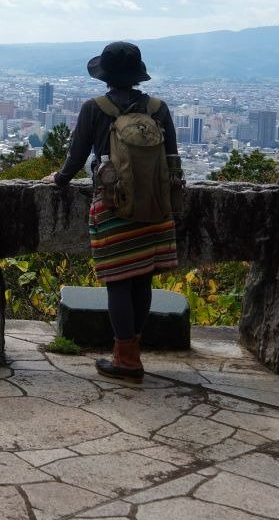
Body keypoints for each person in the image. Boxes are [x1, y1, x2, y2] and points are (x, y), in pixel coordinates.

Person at [40, 41, 178, 383]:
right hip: (155, 206)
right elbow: (173, 159)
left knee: (118, 280)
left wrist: (59, 179)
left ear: (106, 76)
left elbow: (75, 157)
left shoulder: (95, 108)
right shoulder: (158, 109)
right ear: (138, 74)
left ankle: (126, 359)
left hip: (113, 203)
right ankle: (132, 352)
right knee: (142, 279)